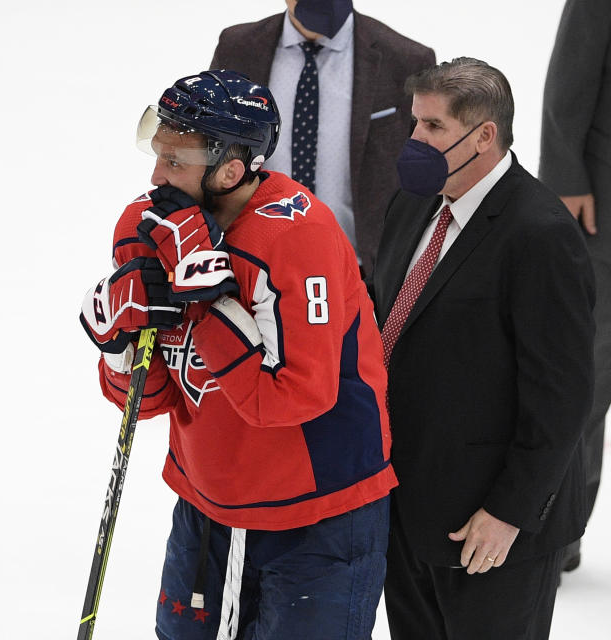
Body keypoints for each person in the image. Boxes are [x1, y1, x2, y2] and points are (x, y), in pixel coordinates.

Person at [80, 70, 396, 639]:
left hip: (318, 512)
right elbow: (148, 403)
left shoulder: (299, 236)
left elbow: (297, 395)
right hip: (207, 505)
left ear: (231, 169)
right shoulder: (145, 226)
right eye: (158, 155)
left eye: (176, 162)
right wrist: (119, 349)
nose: (156, 177)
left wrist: (205, 303)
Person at [370, 58, 594, 639]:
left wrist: (508, 514)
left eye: (434, 128)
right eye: (415, 124)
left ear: (484, 135)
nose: (415, 141)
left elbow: (563, 397)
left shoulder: (540, 233)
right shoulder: (412, 205)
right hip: (406, 512)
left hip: (490, 531)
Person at [210, 0, 434, 274]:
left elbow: (426, 174)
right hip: (251, 267)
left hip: (363, 273)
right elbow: (208, 146)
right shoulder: (238, 47)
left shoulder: (406, 60)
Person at [539, 0, 611, 573]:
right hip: (608, 219)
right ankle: (554, 537)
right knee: (578, 388)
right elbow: (571, 71)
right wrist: (566, 176)